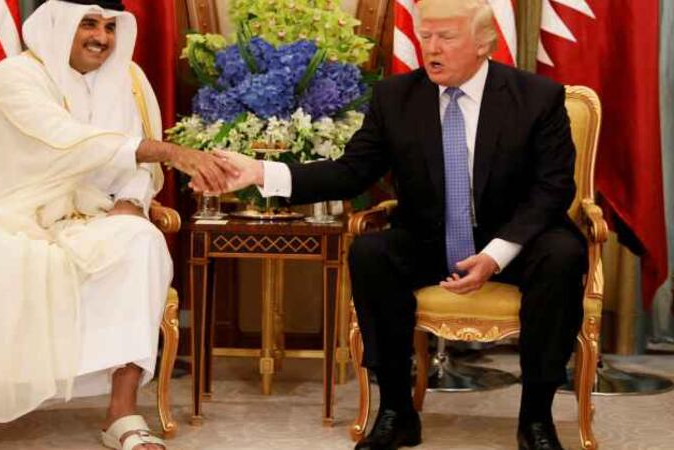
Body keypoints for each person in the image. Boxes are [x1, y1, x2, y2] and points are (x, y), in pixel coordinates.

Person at [216, 1, 585, 449]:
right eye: (425, 36)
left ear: (484, 44)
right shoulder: (396, 97)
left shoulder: (536, 97)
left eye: (446, 37)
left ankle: (536, 420)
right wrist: (260, 173)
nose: (432, 48)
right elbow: (351, 172)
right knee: (371, 252)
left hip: (513, 241)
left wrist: (495, 255)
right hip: (429, 239)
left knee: (562, 254)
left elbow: (553, 188)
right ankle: (396, 411)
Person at [0, 1, 236, 449]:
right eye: (88, 24)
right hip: (13, 213)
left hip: (93, 215)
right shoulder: (15, 75)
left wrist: (131, 200)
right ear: (58, 24)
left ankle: (122, 413)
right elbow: (66, 140)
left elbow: (139, 170)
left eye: (110, 27)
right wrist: (168, 151)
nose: (101, 38)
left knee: (141, 240)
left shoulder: (125, 79)